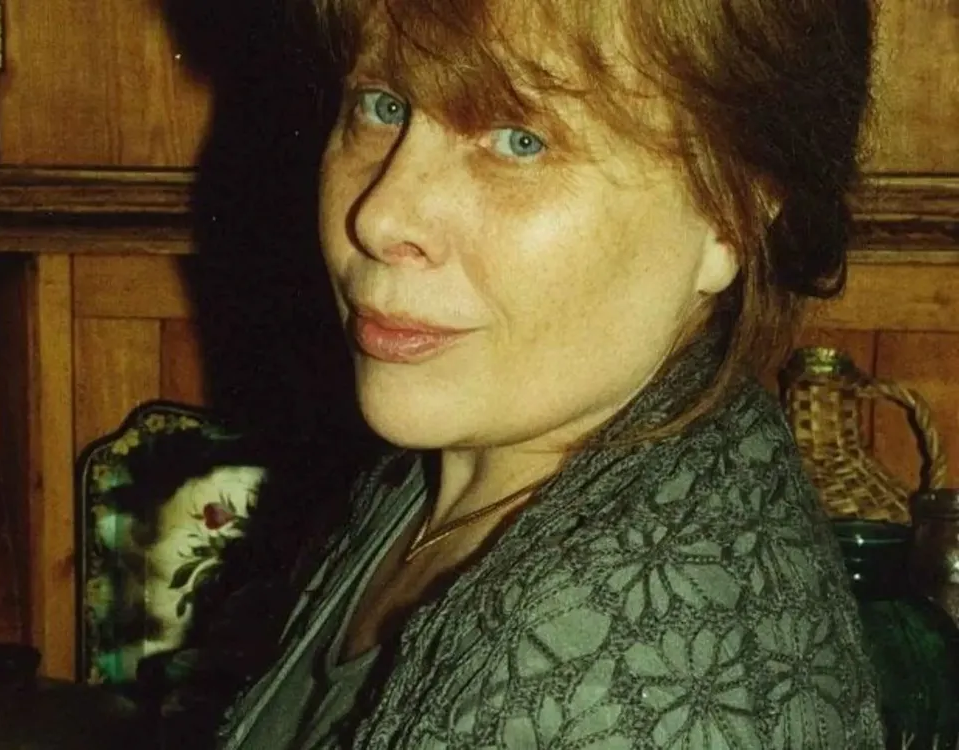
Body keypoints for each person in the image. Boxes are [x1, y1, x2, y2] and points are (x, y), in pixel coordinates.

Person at [215, 0, 884, 747]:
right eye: (384, 105)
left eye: (519, 140)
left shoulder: (612, 681)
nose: (381, 217)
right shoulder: (484, 455)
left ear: (733, 216)